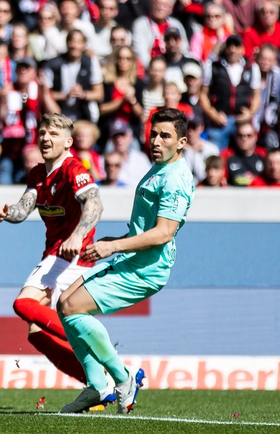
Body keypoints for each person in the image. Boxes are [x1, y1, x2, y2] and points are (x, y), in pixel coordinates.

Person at [56, 108, 194, 414]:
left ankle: (123, 378)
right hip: (134, 257)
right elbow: (148, 229)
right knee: (64, 304)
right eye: (153, 134)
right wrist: (116, 241)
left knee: (73, 307)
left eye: (165, 136)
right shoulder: (159, 167)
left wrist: (115, 246)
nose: (156, 141)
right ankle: (97, 386)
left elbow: (163, 233)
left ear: (181, 142)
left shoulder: (176, 179)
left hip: (147, 269)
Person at [0, 113, 103, 387]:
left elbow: (95, 203)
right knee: (36, 331)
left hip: (72, 256)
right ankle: (98, 383)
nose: (45, 138)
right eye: (42, 133)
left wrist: (77, 236)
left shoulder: (73, 170)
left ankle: (106, 357)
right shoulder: (38, 173)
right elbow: (23, 209)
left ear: (67, 142)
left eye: (53, 134)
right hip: (54, 255)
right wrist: (7, 213)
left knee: (23, 303)